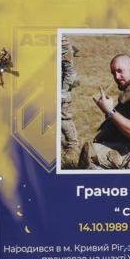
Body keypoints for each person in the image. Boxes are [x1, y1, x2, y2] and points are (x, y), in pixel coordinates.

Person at [59, 35, 79, 164]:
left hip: (61, 89)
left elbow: (70, 72)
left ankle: (73, 146)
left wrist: (63, 91)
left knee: (64, 119)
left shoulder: (63, 44)